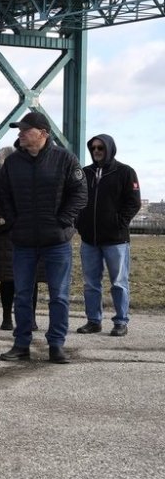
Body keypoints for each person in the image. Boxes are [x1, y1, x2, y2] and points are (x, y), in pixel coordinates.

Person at [0, 111, 87, 364]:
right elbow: (3, 196)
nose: (20, 133)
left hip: (57, 241)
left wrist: (61, 221)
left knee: (58, 295)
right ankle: (21, 344)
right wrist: (14, 223)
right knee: (23, 294)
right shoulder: (12, 163)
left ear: (43, 134)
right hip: (23, 240)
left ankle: (56, 345)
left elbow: (80, 194)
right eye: (19, 130)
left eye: (26, 129)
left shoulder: (65, 159)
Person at [75, 134, 141, 337]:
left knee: (119, 282)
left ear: (109, 149)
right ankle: (94, 321)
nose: (96, 151)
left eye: (100, 148)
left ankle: (121, 321)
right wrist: (80, 223)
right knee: (90, 283)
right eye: (93, 148)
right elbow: (75, 199)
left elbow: (133, 202)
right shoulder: (84, 173)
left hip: (116, 240)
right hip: (89, 240)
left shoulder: (125, 172)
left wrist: (118, 223)